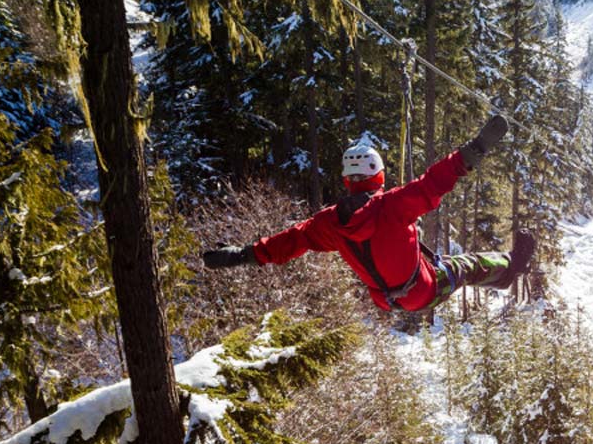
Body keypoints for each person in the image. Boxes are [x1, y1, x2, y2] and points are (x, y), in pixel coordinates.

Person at [201, 115, 535, 312]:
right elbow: (435, 181)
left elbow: (291, 241)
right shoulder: (392, 206)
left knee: (437, 263)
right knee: (465, 265)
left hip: (387, 301)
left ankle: (499, 272)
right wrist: (475, 149)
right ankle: (510, 269)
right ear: (378, 176)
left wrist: (243, 255)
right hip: (420, 291)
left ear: (347, 180)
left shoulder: (329, 222)